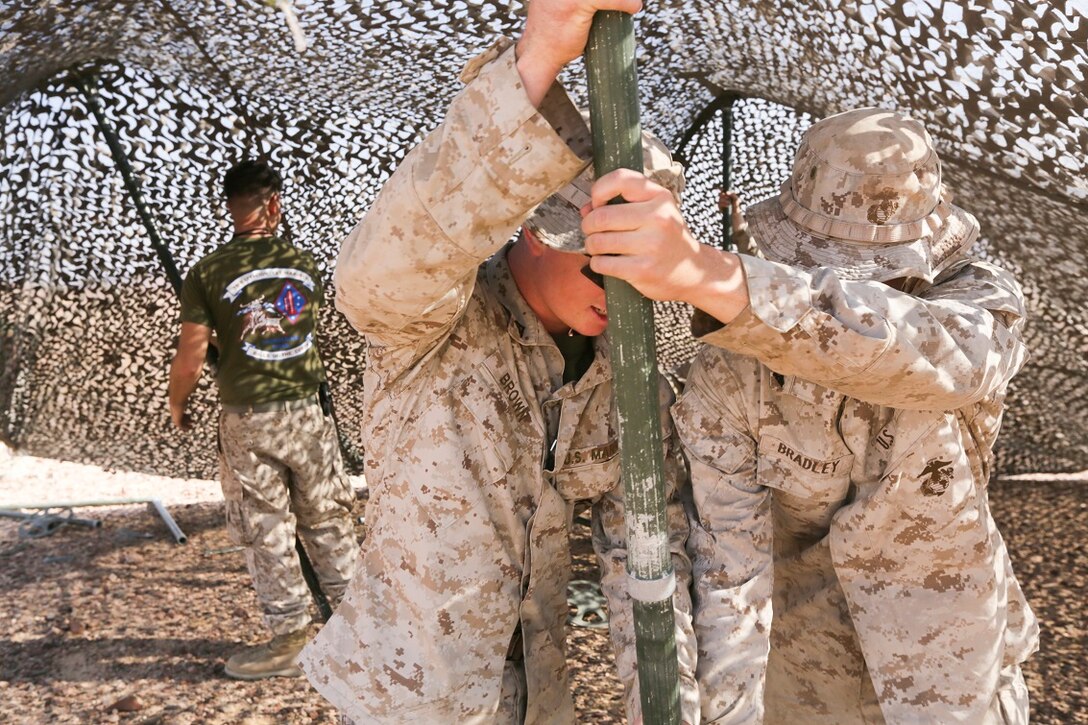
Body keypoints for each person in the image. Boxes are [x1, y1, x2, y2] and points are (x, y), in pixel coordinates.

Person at [297, 1, 701, 722]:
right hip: (411, 694)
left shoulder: (621, 369)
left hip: (537, 694)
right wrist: (536, 61)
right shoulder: (436, 319)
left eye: (639, 271)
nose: (625, 294)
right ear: (537, 231)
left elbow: (643, 549)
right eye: (601, 264)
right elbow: (376, 272)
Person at [580, 108, 1039, 722]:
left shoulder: (975, 302)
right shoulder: (733, 371)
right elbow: (729, 571)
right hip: (806, 674)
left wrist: (709, 277)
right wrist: (725, 715)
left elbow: (938, 357)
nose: (855, 284)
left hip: (952, 666)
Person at [167, 159, 358, 681]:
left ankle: (291, 640)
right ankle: (362, 633)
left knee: (267, 527)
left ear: (230, 206)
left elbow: (190, 355)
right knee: (329, 520)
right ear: (274, 204)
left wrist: (178, 402)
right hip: (307, 414)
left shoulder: (207, 272)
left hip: (249, 419)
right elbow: (294, 330)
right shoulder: (304, 264)